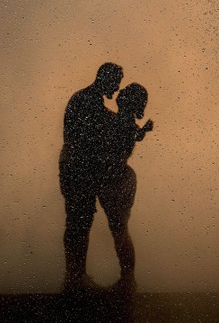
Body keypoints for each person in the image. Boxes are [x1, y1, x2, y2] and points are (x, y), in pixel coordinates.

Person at [59, 62, 124, 291]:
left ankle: (75, 276)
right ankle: (74, 277)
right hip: (77, 167)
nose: (117, 89)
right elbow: (100, 128)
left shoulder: (87, 98)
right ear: (106, 78)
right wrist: (125, 122)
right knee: (79, 222)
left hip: (77, 166)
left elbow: (104, 123)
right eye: (116, 83)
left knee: (79, 221)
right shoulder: (87, 100)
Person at [98, 83, 153, 291]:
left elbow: (124, 139)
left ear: (129, 101)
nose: (120, 93)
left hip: (117, 178)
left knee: (119, 229)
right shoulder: (125, 120)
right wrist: (144, 130)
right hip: (117, 176)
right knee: (119, 229)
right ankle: (127, 277)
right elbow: (135, 136)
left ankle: (128, 279)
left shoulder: (122, 120)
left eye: (125, 92)